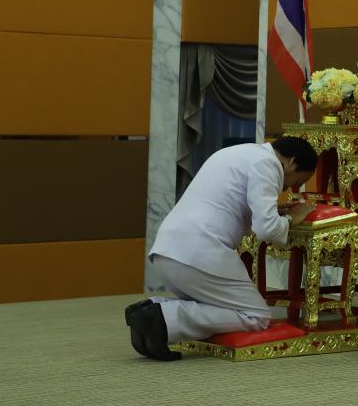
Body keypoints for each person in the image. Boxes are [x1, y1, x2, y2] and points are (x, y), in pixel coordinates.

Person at [125, 136, 318, 361]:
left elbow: (227, 206)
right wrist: (293, 218)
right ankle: (163, 317)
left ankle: (149, 310)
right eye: (297, 181)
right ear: (291, 162)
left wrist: (275, 212)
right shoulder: (268, 165)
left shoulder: (236, 152)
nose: (290, 188)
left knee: (213, 306)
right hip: (199, 252)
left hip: (168, 251)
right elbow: (267, 230)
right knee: (256, 316)